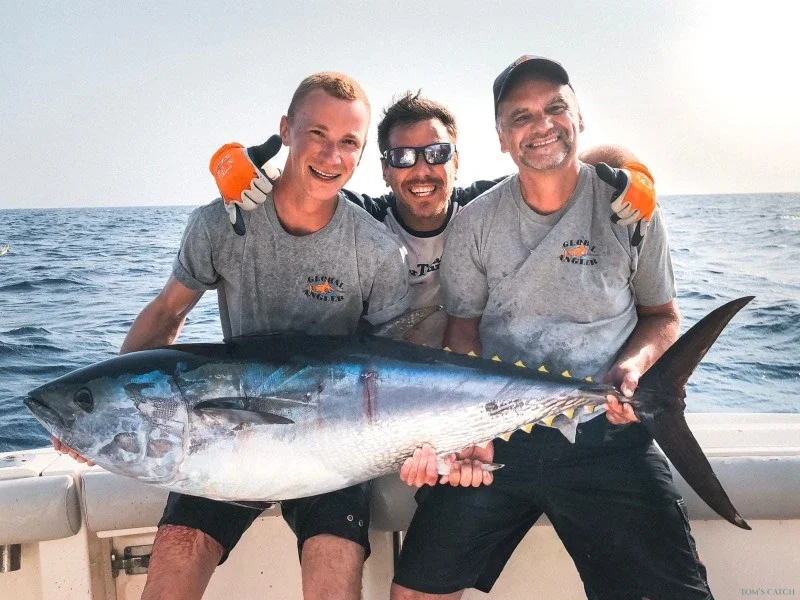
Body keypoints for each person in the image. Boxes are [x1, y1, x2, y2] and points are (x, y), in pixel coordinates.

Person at [55, 71, 411, 600]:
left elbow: (399, 362)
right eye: (316, 133)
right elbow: (168, 312)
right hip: (222, 445)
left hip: (332, 442)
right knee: (177, 555)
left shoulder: (378, 250)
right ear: (286, 130)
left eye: (348, 142)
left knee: (334, 563)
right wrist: (102, 409)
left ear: (361, 154)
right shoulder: (222, 223)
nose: (331, 155)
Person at [388, 56, 713, 600]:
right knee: (413, 593)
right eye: (520, 116)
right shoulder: (474, 223)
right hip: (499, 437)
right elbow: (463, 329)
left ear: (579, 118)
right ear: (501, 138)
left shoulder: (630, 209)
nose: (541, 125)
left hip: (608, 436)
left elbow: (662, 316)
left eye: (555, 108)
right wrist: (469, 431)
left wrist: (631, 369)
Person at [211, 91, 656, 351]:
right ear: (385, 170)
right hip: (386, 393)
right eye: (403, 157)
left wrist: (632, 168)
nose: (421, 170)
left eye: (437, 153)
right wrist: (234, 165)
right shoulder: (365, 222)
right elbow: (300, 184)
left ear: (456, 161)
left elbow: (576, 163)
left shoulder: (484, 211)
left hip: (466, 388)